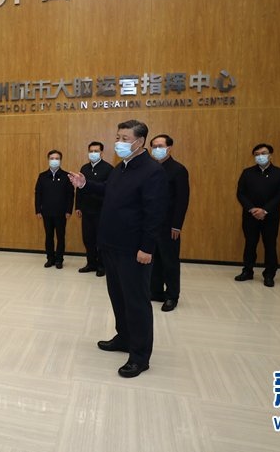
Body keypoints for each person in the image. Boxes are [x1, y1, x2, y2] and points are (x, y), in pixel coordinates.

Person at [68, 119, 167, 378]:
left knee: (136, 302)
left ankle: (140, 356)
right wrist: (85, 184)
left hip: (133, 250)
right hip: (111, 246)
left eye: (125, 139)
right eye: (118, 137)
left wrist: (146, 248)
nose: (119, 143)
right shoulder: (121, 167)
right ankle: (124, 338)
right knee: (118, 296)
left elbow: (154, 214)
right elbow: (108, 191)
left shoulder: (152, 171)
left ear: (140, 142)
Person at [234, 143, 280, 287]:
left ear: (270, 155)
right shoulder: (247, 172)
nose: (260, 156)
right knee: (250, 244)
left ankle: (269, 275)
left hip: (270, 216)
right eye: (257, 154)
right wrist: (252, 209)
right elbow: (240, 193)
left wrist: (264, 210)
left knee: (270, 245)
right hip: (250, 216)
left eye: (263, 153)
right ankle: (247, 271)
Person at [148, 134, 190, 312]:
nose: (156, 149)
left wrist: (177, 225)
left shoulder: (178, 169)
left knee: (169, 261)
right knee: (154, 260)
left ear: (169, 148)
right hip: (151, 224)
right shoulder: (150, 168)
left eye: (160, 146)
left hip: (169, 225)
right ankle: (156, 292)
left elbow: (182, 200)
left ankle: (172, 295)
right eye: (154, 146)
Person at [76, 142, 113, 277]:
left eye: (96, 151)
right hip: (86, 210)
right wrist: (78, 206)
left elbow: (109, 190)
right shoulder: (84, 168)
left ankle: (101, 266)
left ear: (101, 153)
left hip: (101, 211)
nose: (93, 153)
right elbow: (79, 188)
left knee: (100, 240)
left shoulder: (108, 169)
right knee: (88, 238)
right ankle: (91, 263)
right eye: (91, 151)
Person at [35, 149, 73, 269]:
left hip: (61, 213)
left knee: (60, 237)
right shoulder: (42, 176)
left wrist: (69, 210)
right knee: (49, 236)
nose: (54, 160)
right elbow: (38, 194)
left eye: (57, 158)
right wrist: (38, 210)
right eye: (52, 158)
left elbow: (70, 195)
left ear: (60, 160)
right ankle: (50, 259)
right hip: (46, 212)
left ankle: (59, 260)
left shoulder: (66, 176)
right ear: (48, 160)